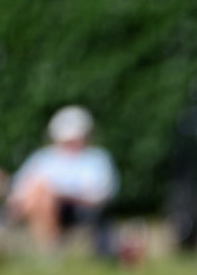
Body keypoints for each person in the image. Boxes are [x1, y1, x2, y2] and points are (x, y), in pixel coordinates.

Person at [8, 106, 118, 254]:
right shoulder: (43, 157)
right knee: (40, 193)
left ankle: (48, 248)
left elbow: (98, 195)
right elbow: (19, 188)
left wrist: (57, 194)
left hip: (77, 209)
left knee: (43, 193)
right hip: (38, 204)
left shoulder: (96, 158)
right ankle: (48, 247)